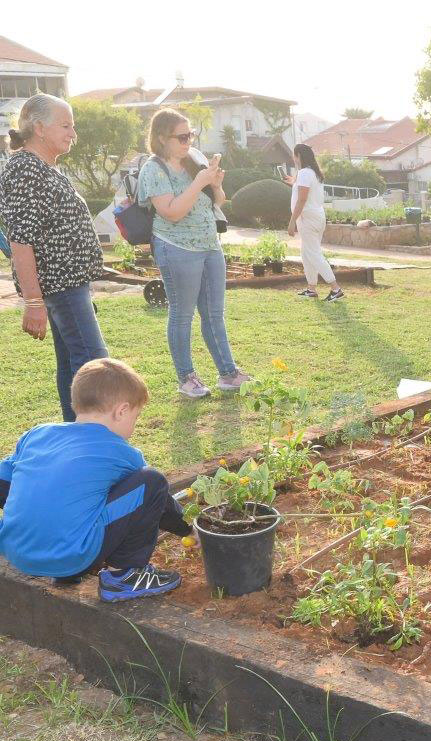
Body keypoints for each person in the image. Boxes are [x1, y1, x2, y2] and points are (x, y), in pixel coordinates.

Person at [0, 358, 189, 602]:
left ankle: (56, 550)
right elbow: (158, 499)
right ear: (121, 411)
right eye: (136, 416)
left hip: (16, 551)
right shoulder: (122, 453)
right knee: (151, 482)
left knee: (55, 486)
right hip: (73, 555)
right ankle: (125, 577)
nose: (134, 424)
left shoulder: (38, 434)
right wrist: (188, 529)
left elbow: (4, 481)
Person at [0, 94, 108, 421]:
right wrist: (33, 302)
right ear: (39, 128)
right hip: (61, 288)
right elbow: (20, 240)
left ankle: (78, 443)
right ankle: (95, 448)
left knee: (76, 366)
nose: (73, 133)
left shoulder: (44, 166)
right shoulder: (25, 168)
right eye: (66, 125)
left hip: (69, 287)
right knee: (95, 368)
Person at [138, 108, 251, 399]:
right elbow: (172, 213)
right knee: (182, 314)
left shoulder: (195, 159)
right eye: (183, 136)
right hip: (176, 247)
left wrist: (215, 184)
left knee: (214, 314)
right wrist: (198, 183)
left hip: (209, 245)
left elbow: (219, 202)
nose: (189, 140)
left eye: (192, 134)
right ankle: (186, 377)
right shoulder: (153, 169)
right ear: (162, 138)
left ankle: (228, 373)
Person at [284, 143, 343, 301]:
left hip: (308, 219)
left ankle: (335, 288)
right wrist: (293, 182)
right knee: (307, 253)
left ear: (298, 156)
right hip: (317, 217)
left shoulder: (304, 173)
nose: (293, 158)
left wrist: (292, 221)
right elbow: (305, 192)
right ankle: (311, 288)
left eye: (294, 155)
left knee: (313, 253)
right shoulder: (313, 173)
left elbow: (302, 199)